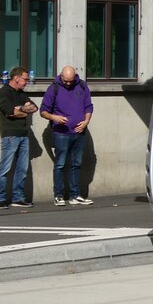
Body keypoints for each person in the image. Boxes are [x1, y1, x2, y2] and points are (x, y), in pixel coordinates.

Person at [40, 65, 95, 207]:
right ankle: (58, 195)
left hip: (79, 132)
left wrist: (86, 121)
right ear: (61, 76)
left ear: (75, 76)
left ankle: (75, 195)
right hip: (61, 133)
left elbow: (88, 106)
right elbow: (43, 111)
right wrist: (54, 117)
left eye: (71, 81)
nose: (68, 83)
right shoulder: (54, 88)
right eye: (66, 81)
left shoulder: (82, 86)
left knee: (76, 164)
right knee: (60, 164)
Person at [0, 66, 37, 209]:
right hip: (10, 135)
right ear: (16, 78)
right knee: (5, 168)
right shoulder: (3, 93)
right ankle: (0, 199)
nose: (27, 81)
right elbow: (10, 112)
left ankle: (18, 198)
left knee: (22, 169)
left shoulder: (22, 94)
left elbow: (35, 108)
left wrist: (21, 109)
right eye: (25, 79)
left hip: (24, 135)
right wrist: (23, 109)